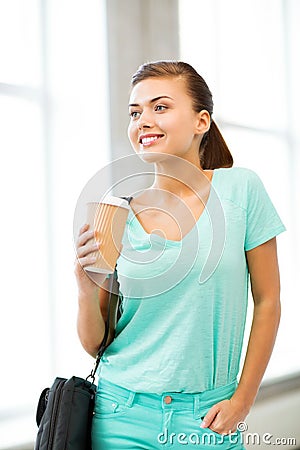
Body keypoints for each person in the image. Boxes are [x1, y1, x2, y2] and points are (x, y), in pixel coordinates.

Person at [74, 61, 285, 449]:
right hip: (121, 412)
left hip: (208, 416)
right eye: (135, 112)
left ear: (201, 122)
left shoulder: (242, 190)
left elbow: (269, 301)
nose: (143, 121)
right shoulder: (117, 211)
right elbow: (96, 342)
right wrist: (86, 288)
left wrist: (243, 399)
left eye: (160, 107)